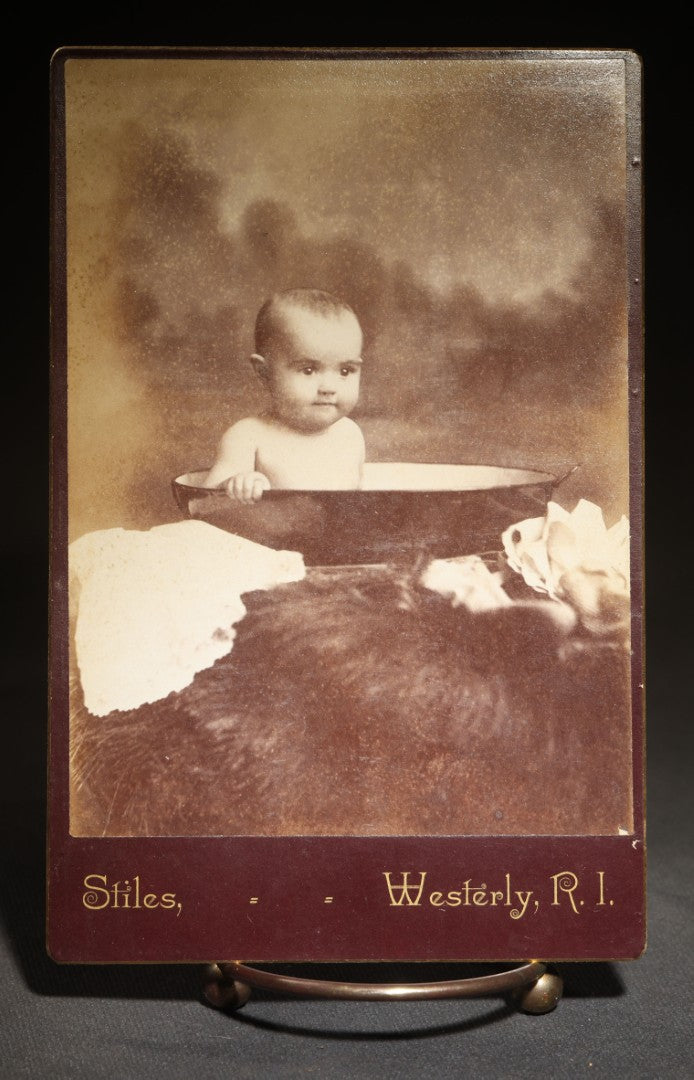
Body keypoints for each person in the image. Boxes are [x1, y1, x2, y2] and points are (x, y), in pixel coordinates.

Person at [204, 289, 365, 503]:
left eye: (345, 371)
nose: (328, 387)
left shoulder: (350, 434)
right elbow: (205, 500)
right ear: (264, 372)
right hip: (260, 535)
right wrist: (235, 484)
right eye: (308, 370)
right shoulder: (247, 436)